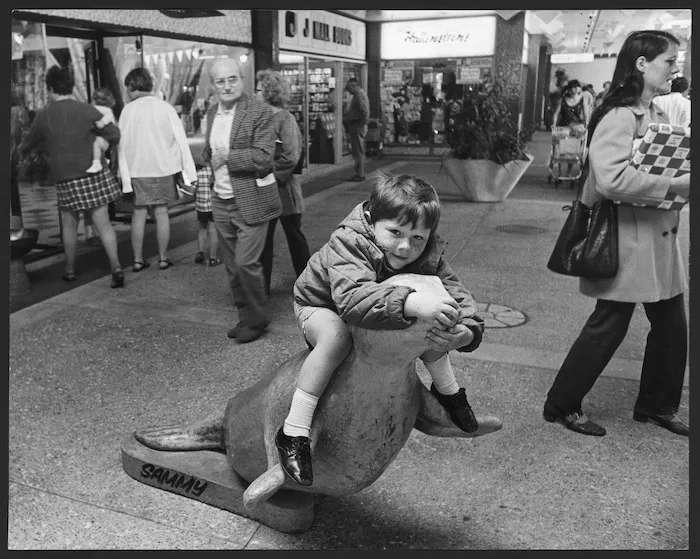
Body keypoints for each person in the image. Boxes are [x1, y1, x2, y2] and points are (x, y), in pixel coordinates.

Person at [275, 171, 486, 486]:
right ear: (372, 220)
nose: (404, 247)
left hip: (381, 304)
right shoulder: (349, 240)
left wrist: (468, 329)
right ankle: (294, 429)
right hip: (323, 305)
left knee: (434, 325)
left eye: (418, 238)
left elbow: (455, 291)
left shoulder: (426, 252)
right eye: (395, 232)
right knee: (336, 338)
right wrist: (411, 304)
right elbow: (350, 298)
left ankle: (450, 394)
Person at [544, 30, 690, 438]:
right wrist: (674, 186)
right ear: (641, 63)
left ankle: (657, 405)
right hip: (626, 240)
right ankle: (561, 404)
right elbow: (610, 179)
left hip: (658, 239)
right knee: (608, 325)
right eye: (669, 60)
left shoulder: (657, 112)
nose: (675, 67)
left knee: (672, 328)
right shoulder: (620, 114)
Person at [18, 65, 125, 288]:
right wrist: (99, 140)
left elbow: (27, 145)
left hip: (67, 178)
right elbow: (114, 134)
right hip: (93, 175)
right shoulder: (86, 109)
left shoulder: (43, 116)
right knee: (104, 224)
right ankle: (116, 266)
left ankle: (69, 270)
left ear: (50, 89)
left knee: (69, 224)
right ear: (70, 86)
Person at [202, 57, 281, 344]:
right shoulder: (212, 112)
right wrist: (209, 160)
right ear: (213, 85)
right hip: (221, 199)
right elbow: (211, 150)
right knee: (232, 266)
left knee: (247, 262)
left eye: (232, 79)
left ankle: (258, 320)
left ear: (242, 79)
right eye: (220, 81)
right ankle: (245, 316)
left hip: (251, 200)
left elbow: (263, 157)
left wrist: (227, 157)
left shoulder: (258, 112)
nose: (227, 86)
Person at [117, 67, 197, 272]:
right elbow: (181, 141)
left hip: (137, 171)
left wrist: (123, 177)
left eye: (127, 88)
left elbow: (121, 145)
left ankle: (136, 260)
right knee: (161, 213)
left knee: (139, 214)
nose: (126, 92)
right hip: (163, 170)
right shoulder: (165, 108)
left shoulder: (127, 111)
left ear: (133, 86)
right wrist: (189, 173)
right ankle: (162, 258)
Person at [255, 69, 311, 295]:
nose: (255, 93)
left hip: (284, 190)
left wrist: (270, 176)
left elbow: (291, 155)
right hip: (268, 190)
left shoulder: (284, 119)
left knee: (295, 238)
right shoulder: (261, 117)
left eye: (258, 89)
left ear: (269, 92)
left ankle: (308, 284)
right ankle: (261, 287)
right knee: (263, 241)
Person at [342, 77, 370, 181]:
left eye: (349, 87)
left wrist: (362, 124)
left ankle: (360, 174)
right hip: (357, 125)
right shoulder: (358, 95)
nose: (347, 90)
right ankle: (359, 173)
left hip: (357, 126)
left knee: (358, 151)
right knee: (358, 150)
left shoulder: (359, 95)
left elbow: (365, 111)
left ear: (354, 85)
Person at [193, 164, 220, 267]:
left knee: (202, 228)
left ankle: (200, 252)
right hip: (214, 205)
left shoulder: (197, 173)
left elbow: (192, 190)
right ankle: (213, 258)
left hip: (201, 207)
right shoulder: (215, 171)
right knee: (213, 230)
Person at [86, 88, 117, 174]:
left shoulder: (103, 110)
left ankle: (97, 162)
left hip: (104, 139)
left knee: (97, 143)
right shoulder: (103, 109)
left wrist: (102, 122)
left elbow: (108, 117)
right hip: (102, 138)